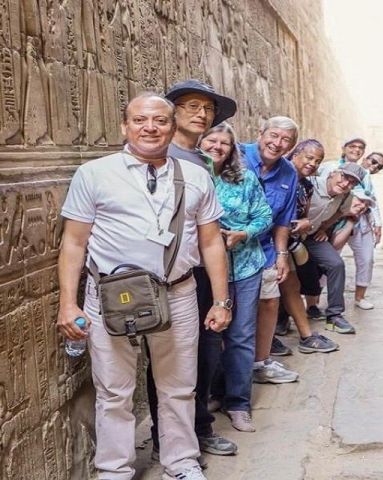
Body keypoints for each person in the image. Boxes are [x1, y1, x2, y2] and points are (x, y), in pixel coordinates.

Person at [57, 93, 231, 480]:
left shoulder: (197, 177)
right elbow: (74, 242)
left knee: (178, 386)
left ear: (172, 127)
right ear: (125, 126)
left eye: (159, 121)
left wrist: (221, 300)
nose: (150, 128)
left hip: (179, 292)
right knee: (114, 391)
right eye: (140, 120)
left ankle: (181, 463)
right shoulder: (95, 174)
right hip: (111, 295)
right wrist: (68, 303)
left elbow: (211, 242)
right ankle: (114, 470)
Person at [146, 79, 241, 460]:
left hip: (199, 272)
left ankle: (195, 429)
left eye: (207, 109)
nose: (201, 114)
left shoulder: (199, 160)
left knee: (203, 354)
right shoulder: (159, 157)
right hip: (169, 273)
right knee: (169, 360)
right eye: (191, 107)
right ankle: (170, 440)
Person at [197, 121, 272, 432]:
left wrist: (245, 233)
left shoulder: (244, 179)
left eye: (224, 143)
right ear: (199, 142)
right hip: (203, 270)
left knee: (240, 336)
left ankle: (238, 403)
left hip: (243, 266)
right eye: (211, 140)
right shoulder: (189, 176)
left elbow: (264, 215)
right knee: (209, 338)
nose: (217, 147)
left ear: (232, 150)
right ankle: (212, 395)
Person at [238, 116, 301, 384]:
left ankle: (260, 363)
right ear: (260, 133)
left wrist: (282, 255)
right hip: (228, 246)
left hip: (263, 249)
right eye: (273, 136)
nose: (277, 143)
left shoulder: (289, 173)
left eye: (286, 140)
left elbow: (284, 220)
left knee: (269, 301)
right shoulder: (236, 155)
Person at [275, 139, 339, 354]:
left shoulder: (307, 186)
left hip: (289, 243)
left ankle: (305, 336)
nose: (313, 163)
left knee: (291, 286)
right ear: (296, 154)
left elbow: (302, 216)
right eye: (309, 157)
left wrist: (304, 224)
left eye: (317, 160)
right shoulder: (277, 176)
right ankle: (284, 337)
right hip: (268, 244)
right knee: (269, 294)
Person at [299, 163, 365, 334]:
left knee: (336, 264)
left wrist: (322, 228)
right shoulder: (310, 184)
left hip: (312, 237)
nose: (345, 184)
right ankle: (281, 319)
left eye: (352, 183)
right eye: (344, 177)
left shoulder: (345, 197)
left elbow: (339, 213)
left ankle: (334, 315)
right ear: (334, 173)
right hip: (291, 235)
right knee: (291, 276)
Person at [336, 151, 383, 309]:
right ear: (365, 159)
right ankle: (313, 301)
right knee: (329, 259)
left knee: (366, 259)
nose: (375, 165)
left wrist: (378, 224)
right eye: (373, 161)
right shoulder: (342, 171)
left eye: (379, 165)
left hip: (361, 223)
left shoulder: (368, 179)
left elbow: (374, 201)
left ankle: (360, 297)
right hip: (339, 221)